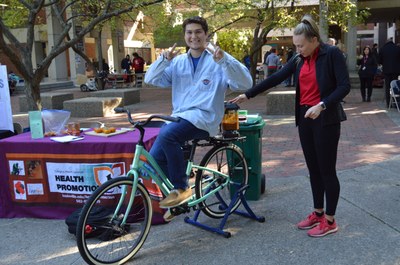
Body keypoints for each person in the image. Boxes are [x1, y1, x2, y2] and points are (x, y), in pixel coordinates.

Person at [231, 15, 350, 238]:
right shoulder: (298, 59)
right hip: (305, 118)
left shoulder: (331, 54)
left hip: (325, 119)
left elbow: (344, 87)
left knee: (326, 171)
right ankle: (318, 212)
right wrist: (247, 95)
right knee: (313, 169)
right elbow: (276, 78)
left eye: (301, 45)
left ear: (314, 40)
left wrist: (322, 105)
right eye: (296, 45)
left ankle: (330, 220)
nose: (298, 49)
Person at [144, 16, 252, 209]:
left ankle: (182, 187)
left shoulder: (218, 60)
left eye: (198, 32)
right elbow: (151, 79)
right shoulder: (177, 62)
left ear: (206, 34)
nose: (194, 36)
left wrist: (225, 61)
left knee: (168, 135)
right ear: (185, 35)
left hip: (204, 118)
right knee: (153, 159)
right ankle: (182, 198)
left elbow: (246, 83)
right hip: (179, 118)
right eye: (189, 32)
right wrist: (163, 60)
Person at [378, 38, 400, 107]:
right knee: (395, 86)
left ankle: (388, 103)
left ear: (386, 42)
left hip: (386, 71)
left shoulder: (382, 49)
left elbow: (379, 61)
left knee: (387, 87)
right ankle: (396, 102)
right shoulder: (397, 48)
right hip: (396, 71)